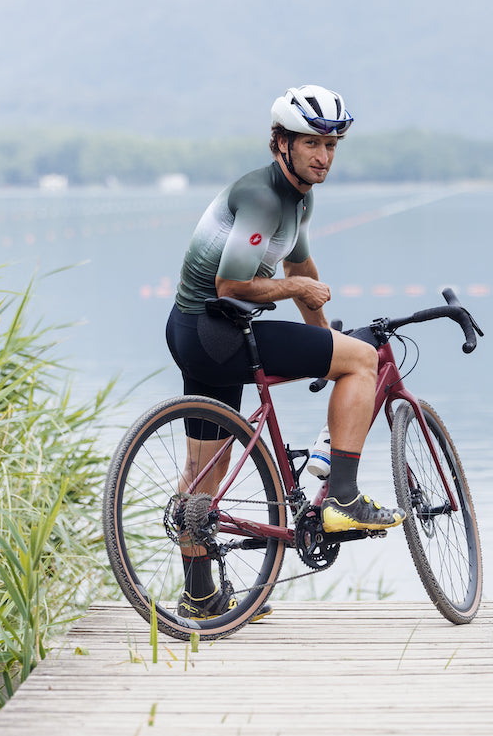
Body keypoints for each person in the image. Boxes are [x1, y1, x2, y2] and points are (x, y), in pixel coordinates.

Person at [164, 85, 404, 620]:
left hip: (192, 331)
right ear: (282, 144)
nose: (324, 156)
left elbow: (301, 269)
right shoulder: (264, 198)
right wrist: (318, 320)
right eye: (312, 144)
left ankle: (200, 597)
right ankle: (342, 496)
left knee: (206, 471)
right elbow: (229, 285)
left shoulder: (297, 197)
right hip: (217, 330)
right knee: (364, 362)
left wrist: (325, 336)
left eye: (332, 145)